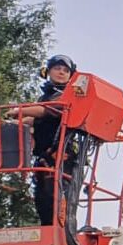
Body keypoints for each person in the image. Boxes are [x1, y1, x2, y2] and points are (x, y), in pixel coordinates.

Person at [15, 54, 77, 226]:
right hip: (45, 158)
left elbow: (48, 112)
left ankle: (63, 232)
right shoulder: (47, 97)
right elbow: (38, 118)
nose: (61, 72)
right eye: (57, 68)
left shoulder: (66, 96)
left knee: (57, 196)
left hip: (62, 157)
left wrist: (19, 110)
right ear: (48, 71)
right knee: (42, 199)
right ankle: (48, 229)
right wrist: (14, 121)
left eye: (66, 70)